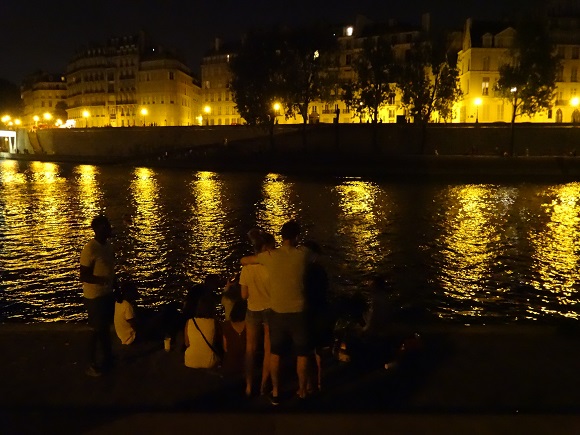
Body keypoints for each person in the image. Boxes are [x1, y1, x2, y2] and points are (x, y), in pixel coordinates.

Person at [241, 220, 312, 404]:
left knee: (271, 352)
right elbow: (316, 257)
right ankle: (301, 390)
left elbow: (244, 264)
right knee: (300, 353)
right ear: (296, 236)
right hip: (296, 311)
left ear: (282, 237)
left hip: (271, 311)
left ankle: (272, 391)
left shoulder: (269, 258)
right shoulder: (303, 254)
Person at [239, 231, 275, 397]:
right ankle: (263, 384)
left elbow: (244, 296)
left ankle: (248, 385)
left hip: (253, 309)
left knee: (250, 349)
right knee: (268, 349)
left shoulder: (247, 269)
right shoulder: (271, 266)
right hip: (270, 309)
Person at [80, 215, 116, 377]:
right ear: (99, 229)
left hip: (107, 294)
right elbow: (84, 275)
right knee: (96, 330)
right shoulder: (90, 248)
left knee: (104, 329)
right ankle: (90, 363)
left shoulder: (108, 246)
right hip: (95, 297)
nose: (109, 229)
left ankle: (108, 358)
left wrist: (114, 285)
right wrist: (102, 280)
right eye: (107, 226)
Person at [303, 240, 333, 392]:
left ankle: (308, 383)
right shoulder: (321, 271)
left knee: (307, 350)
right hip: (321, 310)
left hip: (308, 312)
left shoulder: (304, 271)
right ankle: (320, 381)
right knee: (319, 350)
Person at [184, 294, 220, 369]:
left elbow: (187, 343)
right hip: (209, 362)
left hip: (190, 361)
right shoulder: (213, 322)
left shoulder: (190, 321)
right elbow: (216, 341)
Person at [220, 299, 247, 377]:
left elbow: (225, 348)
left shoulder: (225, 326)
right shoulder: (250, 327)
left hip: (229, 365)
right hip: (245, 366)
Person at [114, 281, 138, 345]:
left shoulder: (118, 303)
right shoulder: (127, 306)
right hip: (130, 338)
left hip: (121, 334)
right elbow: (134, 325)